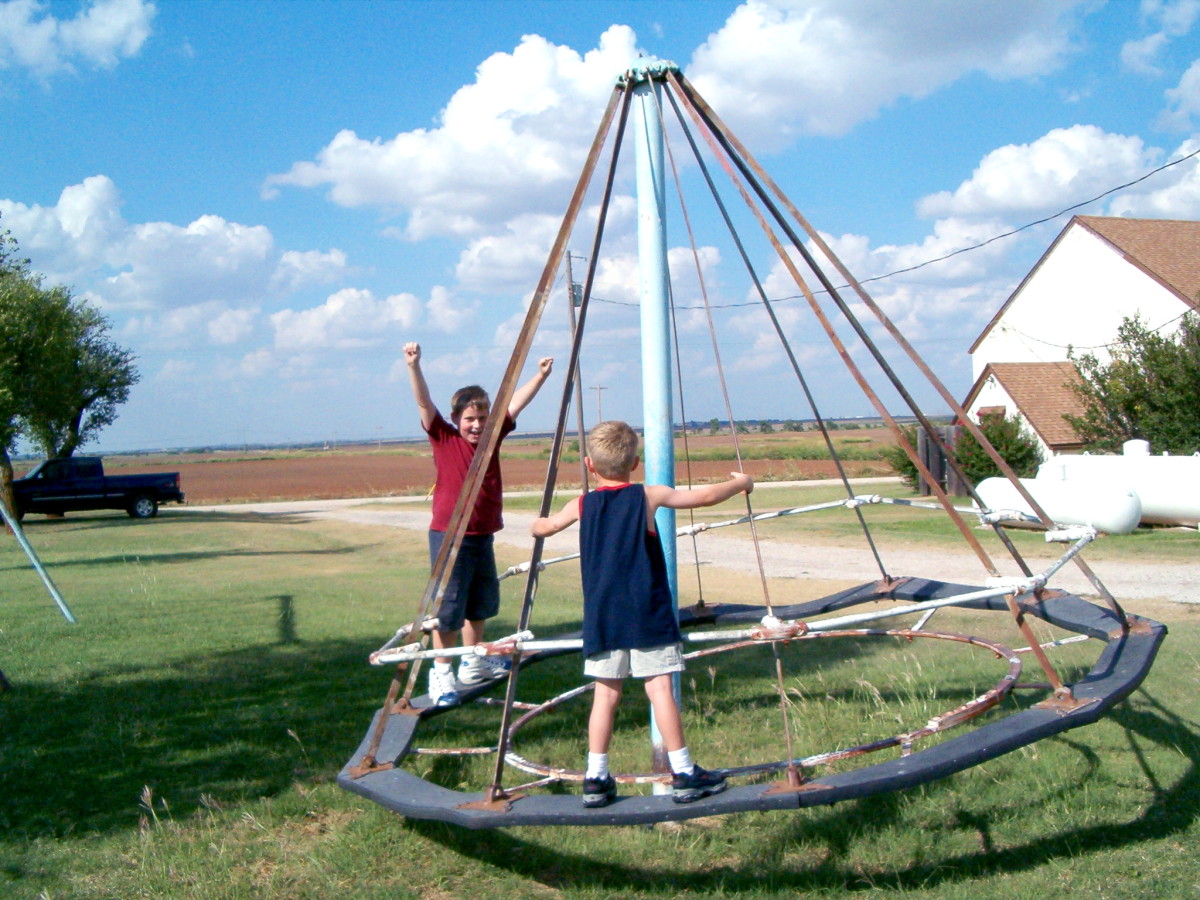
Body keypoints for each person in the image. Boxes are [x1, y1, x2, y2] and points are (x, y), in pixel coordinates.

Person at [531, 420, 753, 807]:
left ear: (589, 464)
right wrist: (741, 483)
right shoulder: (648, 496)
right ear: (635, 464)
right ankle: (683, 771)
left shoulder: (581, 504)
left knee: (605, 695)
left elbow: (546, 526)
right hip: (647, 612)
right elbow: (703, 497)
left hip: (602, 616)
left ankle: (596, 777)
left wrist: (537, 525)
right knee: (659, 689)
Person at [405, 341, 554, 707]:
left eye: (483, 418)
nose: (477, 425)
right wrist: (414, 366)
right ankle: (441, 675)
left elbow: (514, 403)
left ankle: (473, 663)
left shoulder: (492, 438)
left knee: (480, 605)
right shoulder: (443, 437)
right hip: (449, 536)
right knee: (449, 610)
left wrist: (540, 376)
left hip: (482, 534)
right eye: (470, 419)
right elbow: (425, 404)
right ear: (456, 419)